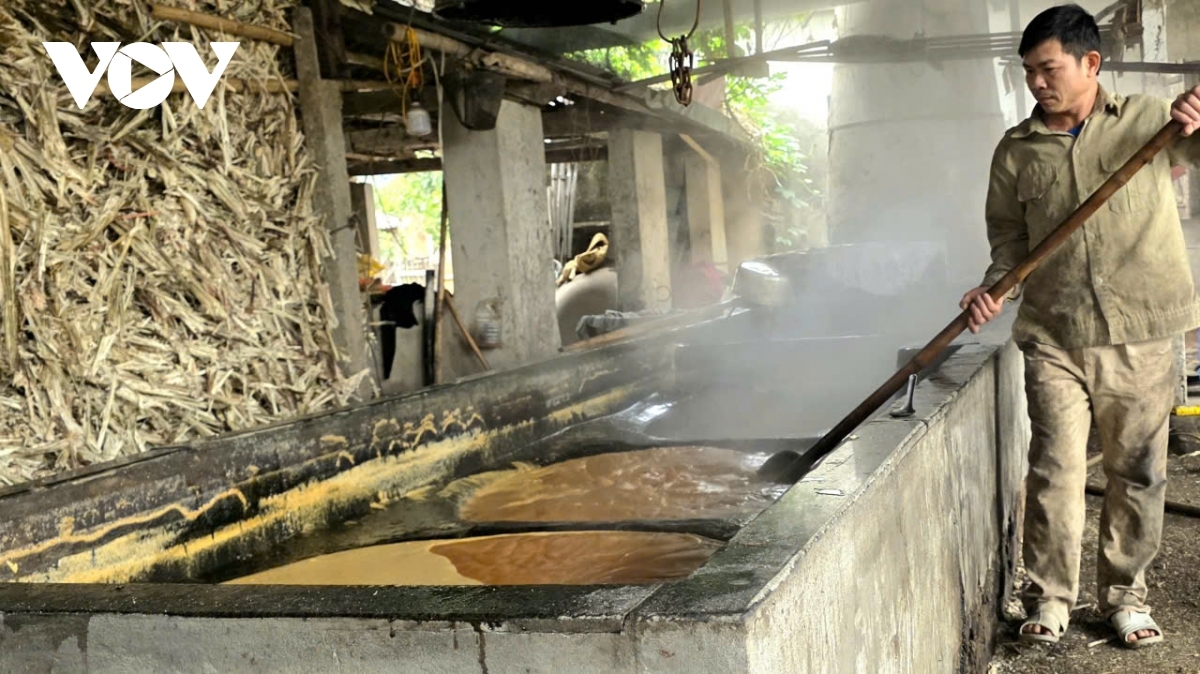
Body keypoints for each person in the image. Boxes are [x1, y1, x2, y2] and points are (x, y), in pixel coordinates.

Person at [960, 4, 1200, 649]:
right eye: (1029, 72)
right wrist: (995, 285)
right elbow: (1009, 237)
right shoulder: (1016, 150)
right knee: (1055, 468)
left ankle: (1125, 597)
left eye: (1049, 68)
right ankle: (1050, 599)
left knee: (1137, 470)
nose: (1037, 83)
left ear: (1090, 63)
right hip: (1053, 330)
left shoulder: (1151, 121)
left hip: (1142, 328)